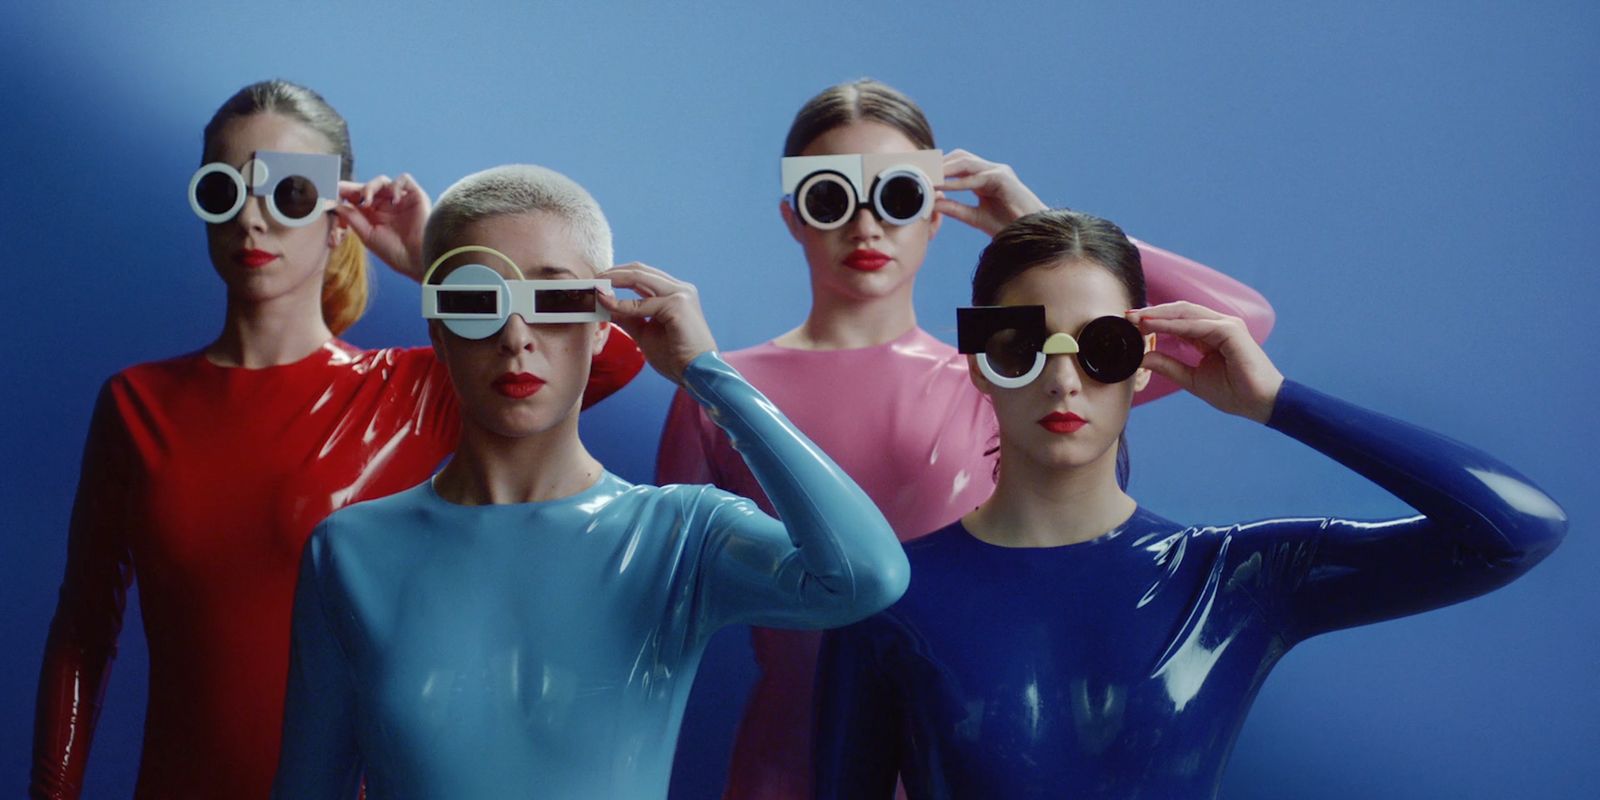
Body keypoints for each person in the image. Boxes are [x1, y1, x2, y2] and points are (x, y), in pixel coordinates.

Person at [654, 78, 1275, 798]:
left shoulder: (1009, 380)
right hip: (782, 773)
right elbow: (663, 609)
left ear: (937, 213)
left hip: (970, 770)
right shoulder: (717, 391)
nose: (866, 227)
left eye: (898, 195)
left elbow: (1239, 329)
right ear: (794, 215)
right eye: (832, 197)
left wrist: (1042, 229)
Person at [811, 209, 1568, 798]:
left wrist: (1277, 401)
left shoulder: (1239, 580)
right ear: (979, 364)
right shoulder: (891, 599)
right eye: (1023, 345)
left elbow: (1518, 530)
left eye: (1102, 346)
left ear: (1144, 365)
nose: (1064, 379)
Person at [30, 81, 640, 799]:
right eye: (227, 189)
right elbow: (83, 628)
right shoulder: (137, 402)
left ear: (336, 217)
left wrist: (433, 259)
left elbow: (613, 353)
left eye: (290, 193)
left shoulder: (416, 389)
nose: (253, 221)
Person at [270, 164, 908, 799]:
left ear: (605, 323)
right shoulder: (349, 551)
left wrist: (708, 376)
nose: (516, 338)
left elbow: (866, 576)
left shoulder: (680, 537)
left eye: (554, 300)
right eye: (476, 301)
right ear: (437, 327)